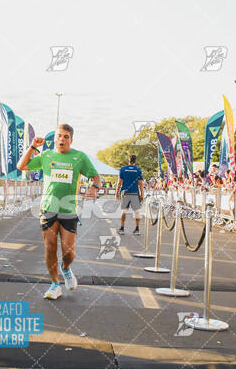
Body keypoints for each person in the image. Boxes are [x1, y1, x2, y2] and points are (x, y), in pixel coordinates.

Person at [17, 124, 101, 300]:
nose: (62, 139)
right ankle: (55, 285)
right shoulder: (46, 155)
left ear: (71, 139)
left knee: (68, 252)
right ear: (54, 139)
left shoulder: (79, 157)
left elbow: (95, 176)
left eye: (66, 136)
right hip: (48, 208)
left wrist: (94, 187)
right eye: (59, 136)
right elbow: (21, 166)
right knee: (49, 248)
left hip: (69, 209)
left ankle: (66, 269)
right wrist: (32, 146)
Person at [115, 154, 144, 235]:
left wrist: (116, 193)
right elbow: (141, 183)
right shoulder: (138, 170)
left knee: (124, 211)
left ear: (129, 160)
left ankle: (122, 228)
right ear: (135, 160)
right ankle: (137, 229)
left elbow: (119, 182)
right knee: (137, 211)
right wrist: (142, 195)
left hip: (125, 193)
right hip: (135, 193)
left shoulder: (123, 169)